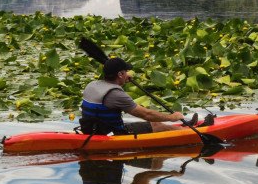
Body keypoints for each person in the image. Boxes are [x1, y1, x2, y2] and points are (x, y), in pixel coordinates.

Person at [79, 57, 209, 136]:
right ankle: (191, 133)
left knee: (153, 124)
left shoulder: (92, 84)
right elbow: (146, 114)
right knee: (155, 125)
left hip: (91, 131)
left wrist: (122, 79)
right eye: (125, 72)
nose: (128, 73)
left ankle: (186, 127)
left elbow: (109, 96)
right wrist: (172, 117)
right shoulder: (116, 94)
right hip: (114, 134)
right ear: (119, 74)